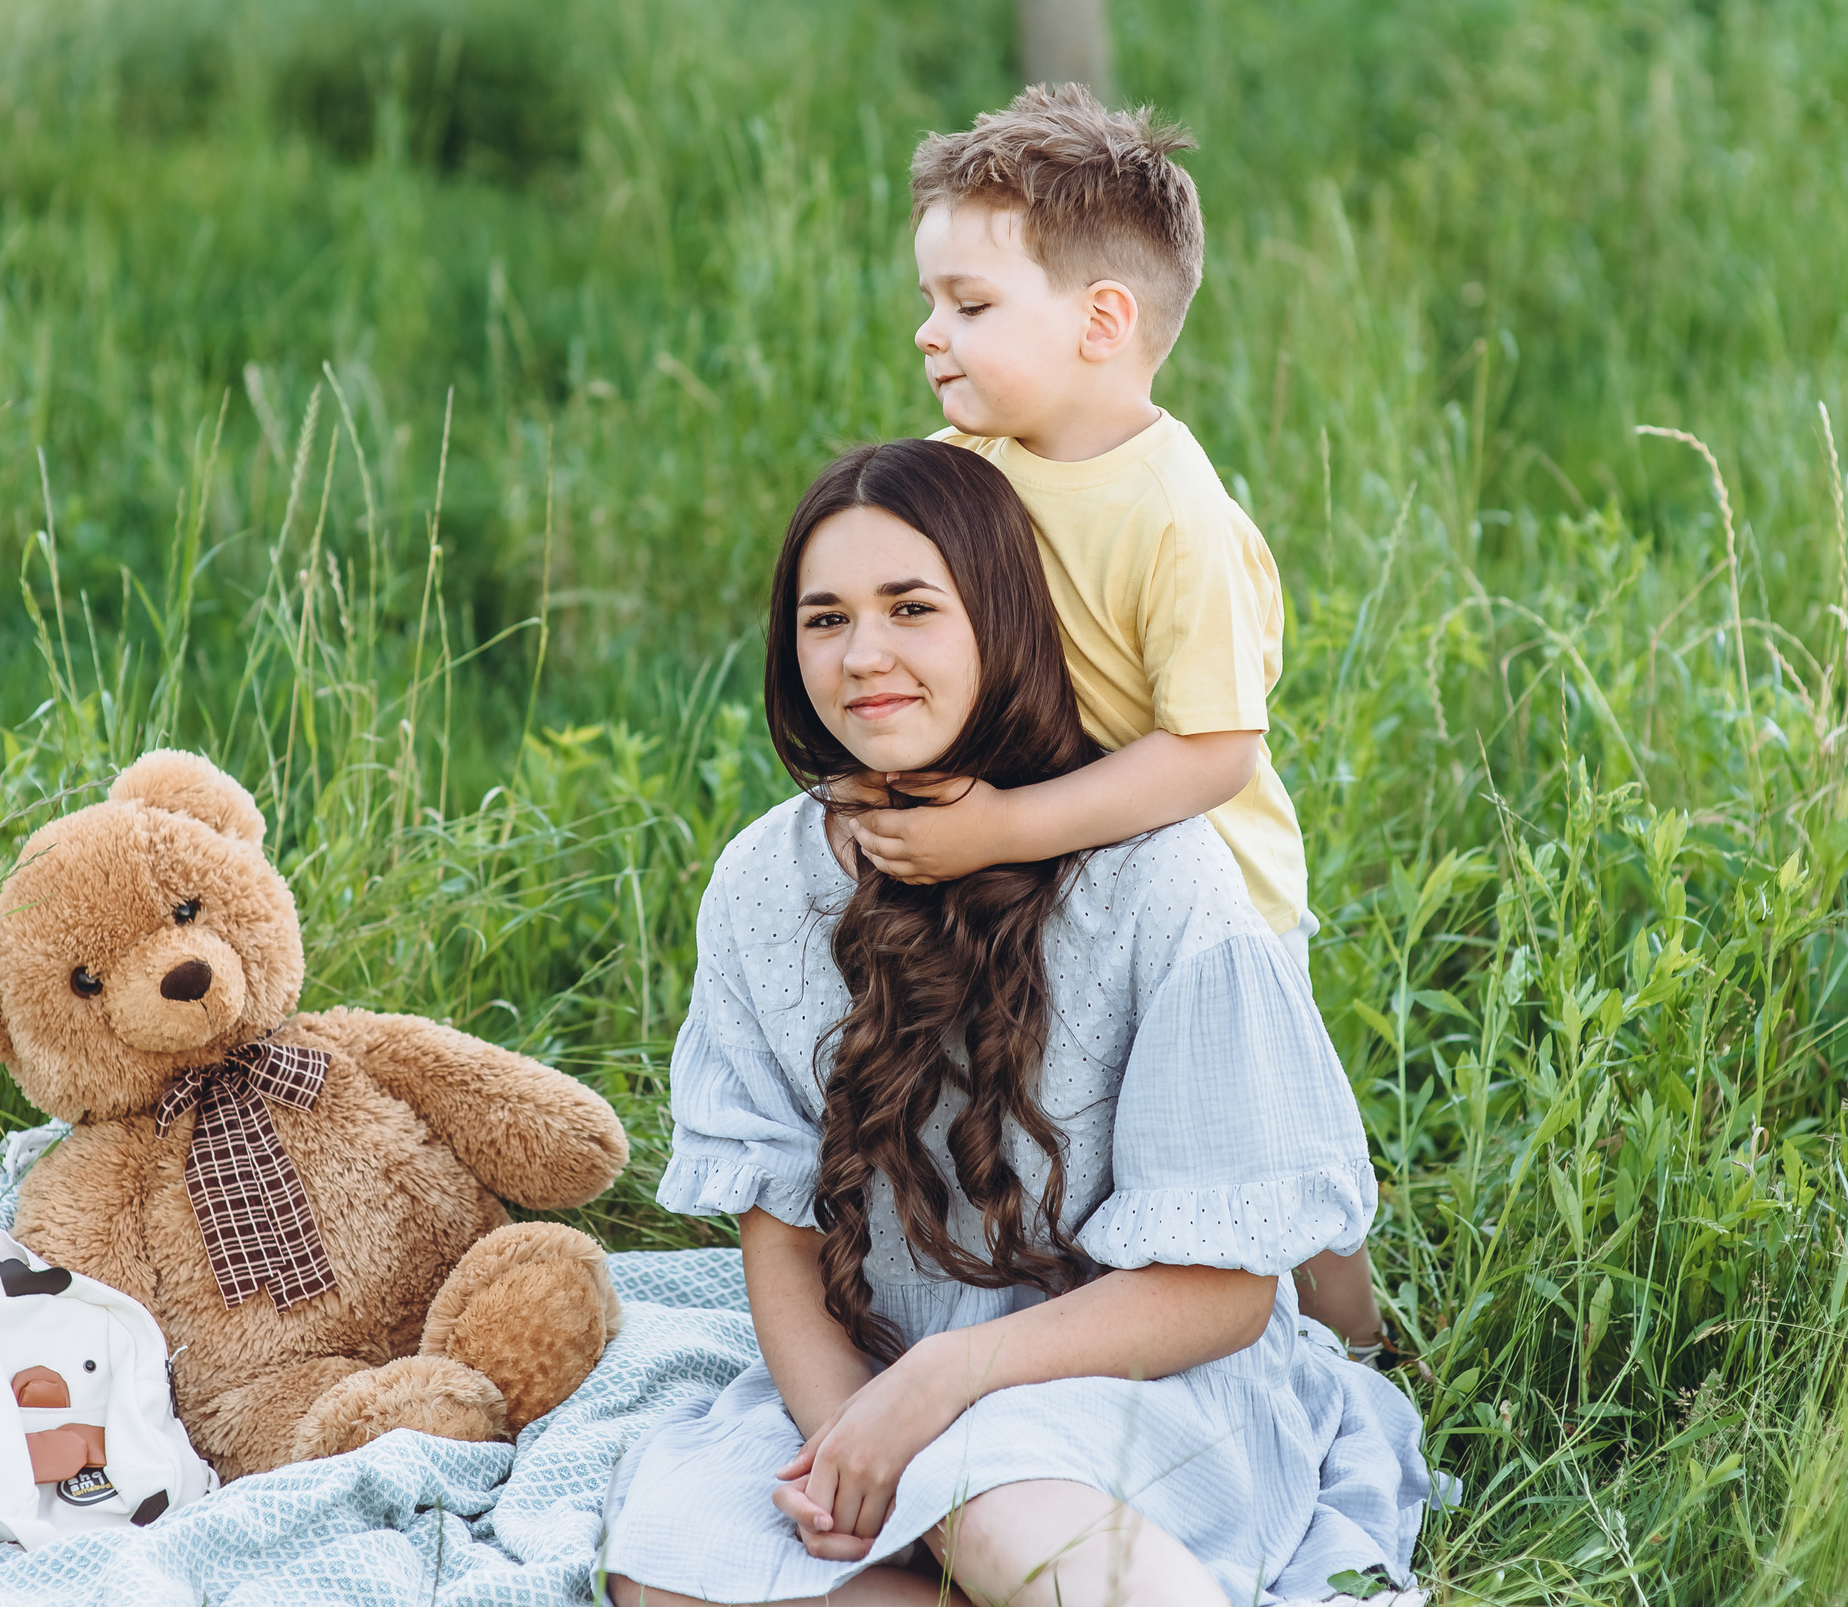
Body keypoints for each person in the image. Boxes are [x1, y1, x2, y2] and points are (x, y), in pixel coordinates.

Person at [600, 440, 1434, 1606]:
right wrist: (852, 1434)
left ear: (1002, 617)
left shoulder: (1162, 880)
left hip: (1147, 1377)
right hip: (888, 1369)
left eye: (911, 608)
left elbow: (1227, 1289)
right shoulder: (762, 879)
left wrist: (949, 1381)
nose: (865, 655)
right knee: (674, 1570)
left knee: (993, 1502)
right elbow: (780, 1232)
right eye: (824, 618)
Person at [851, 85, 1387, 1354]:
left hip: (1207, 887)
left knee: (1269, 1140)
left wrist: (998, 828)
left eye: (970, 306)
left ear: (1104, 320)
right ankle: (1074, 1307)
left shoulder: (1172, 514)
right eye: (930, 302)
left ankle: (1363, 1351)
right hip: (1059, 860)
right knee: (1086, 1115)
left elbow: (1212, 752)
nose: (932, 333)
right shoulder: (969, 466)